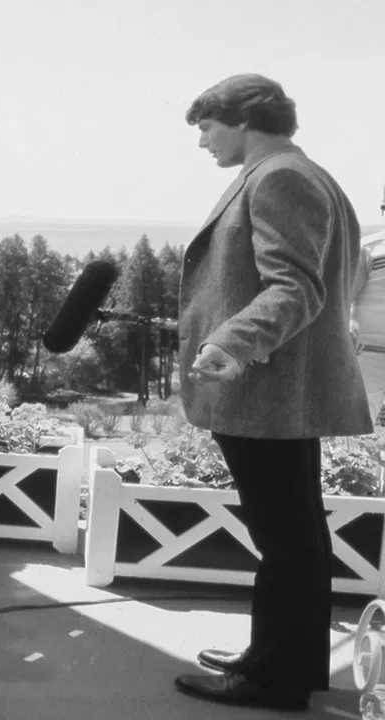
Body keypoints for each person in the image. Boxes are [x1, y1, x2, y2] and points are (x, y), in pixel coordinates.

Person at [172, 74, 372, 711]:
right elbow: (337, 278)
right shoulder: (307, 175)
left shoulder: (280, 177)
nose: (202, 141)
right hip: (280, 390)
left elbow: (296, 286)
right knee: (295, 534)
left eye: (207, 126)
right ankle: (275, 659)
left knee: (285, 540)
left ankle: (276, 681)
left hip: (266, 391)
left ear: (244, 119)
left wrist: (231, 342)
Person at [351, 190, 385, 422]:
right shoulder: (370, 248)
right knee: (356, 427)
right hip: (368, 355)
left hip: (367, 355)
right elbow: (343, 298)